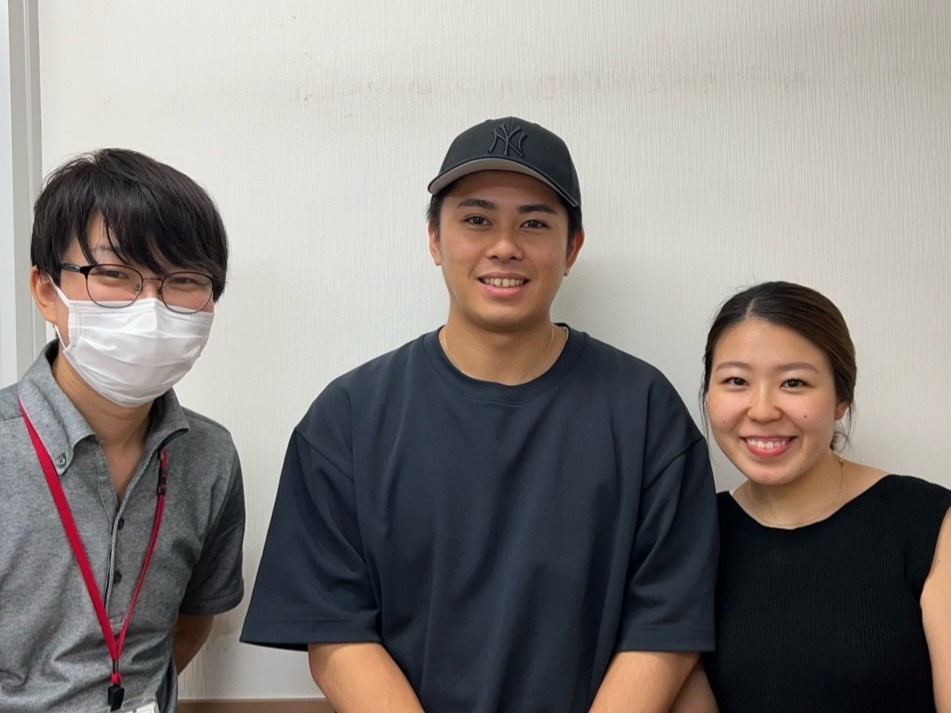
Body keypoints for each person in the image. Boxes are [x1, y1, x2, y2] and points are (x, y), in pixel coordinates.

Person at [241, 116, 718, 712]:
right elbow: (335, 632)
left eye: (534, 223)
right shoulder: (349, 418)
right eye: (476, 220)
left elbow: (666, 628)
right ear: (434, 239)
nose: (504, 246)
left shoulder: (645, 411)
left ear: (572, 248)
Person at [0, 149, 245, 713]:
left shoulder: (210, 457)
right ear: (46, 291)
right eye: (113, 274)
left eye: (183, 279)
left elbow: (192, 620)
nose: (151, 307)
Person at [672, 280, 951, 713]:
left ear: (842, 398)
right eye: (736, 380)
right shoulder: (692, 534)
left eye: (794, 382)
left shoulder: (930, 524)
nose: (762, 410)